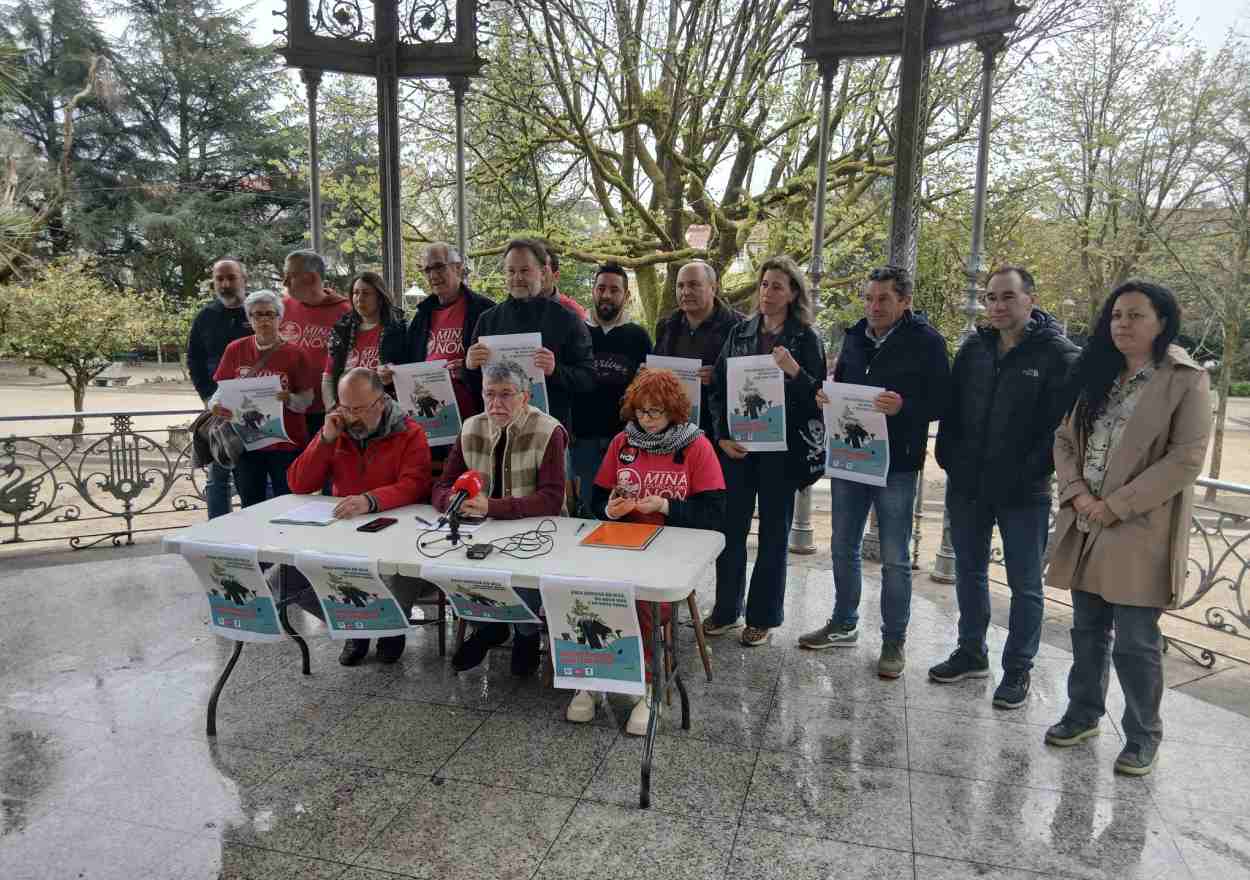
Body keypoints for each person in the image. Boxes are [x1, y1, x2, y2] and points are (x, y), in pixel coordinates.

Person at [1043, 281, 1210, 776]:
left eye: (1136, 315)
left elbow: (1186, 459)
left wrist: (1115, 505)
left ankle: (1142, 735)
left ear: (1163, 322)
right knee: (1086, 629)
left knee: (1137, 640)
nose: (1123, 324)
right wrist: (1077, 494)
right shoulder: (1100, 372)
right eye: (1117, 315)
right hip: (1086, 520)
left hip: (1139, 528)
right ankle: (1082, 714)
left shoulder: (1184, 378)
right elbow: (1064, 438)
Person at [929, 266, 1080, 709]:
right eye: (991, 297)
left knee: (1025, 585)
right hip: (968, 485)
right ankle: (971, 652)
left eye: (1007, 297)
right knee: (970, 573)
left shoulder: (1058, 355)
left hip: (1023, 492)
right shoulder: (974, 347)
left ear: (1030, 299)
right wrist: (949, 460)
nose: (996, 306)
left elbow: (1061, 430)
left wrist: (1027, 472)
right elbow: (953, 412)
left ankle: (1017, 670)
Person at [798, 265, 950, 679]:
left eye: (883, 299)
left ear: (905, 302)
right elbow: (844, 382)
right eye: (868, 298)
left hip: (896, 463)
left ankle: (893, 640)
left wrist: (905, 406)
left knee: (895, 557)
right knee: (843, 545)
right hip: (850, 458)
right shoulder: (853, 335)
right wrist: (827, 395)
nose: (874, 306)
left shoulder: (927, 341)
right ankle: (844, 623)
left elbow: (942, 400)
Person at [565, 369, 724, 733]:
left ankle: (648, 687)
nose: (648, 420)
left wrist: (666, 507)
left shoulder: (696, 446)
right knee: (583, 592)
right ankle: (590, 676)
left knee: (640, 600)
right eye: (641, 412)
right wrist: (611, 508)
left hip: (674, 547)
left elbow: (715, 513)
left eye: (656, 412)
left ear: (674, 411)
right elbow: (597, 497)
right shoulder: (623, 443)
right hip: (623, 543)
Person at [705, 256, 826, 647]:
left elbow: (818, 398)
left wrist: (794, 370)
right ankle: (726, 610)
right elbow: (719, 389)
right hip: (739, 449)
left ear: (793, 293)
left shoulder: (806, 339)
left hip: (782, 453)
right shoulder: (740, 332)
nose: (767, 293)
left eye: (777, 286)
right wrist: (721, 436)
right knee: (731, 531)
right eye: (763, 284)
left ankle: (762, 616)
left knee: (774, 535)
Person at [282, 368, 434, 665]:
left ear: (381, 402)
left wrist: (371, 500)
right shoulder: (337, 430)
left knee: (393, 572)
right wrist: (325, 439)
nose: (352, 416)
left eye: (360, 408)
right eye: (345, 407)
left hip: (394, 528)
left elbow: (415, 484)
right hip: (343, 530)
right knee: (286, 579)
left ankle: (390, 629)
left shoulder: (409, 432)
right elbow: (299, 484)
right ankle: (355, 625)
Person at [434, 360, 568, 675]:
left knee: (521, 567)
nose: (496, 403)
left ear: (526, 396)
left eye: (506, 394)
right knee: (451, 563)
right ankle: (492, 626)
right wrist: (450, 500)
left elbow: (551, 500)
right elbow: (441, 485)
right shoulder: (470, 427)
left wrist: (491, 507)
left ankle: (526, 632)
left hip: (538, 530)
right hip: (481, 528)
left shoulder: (550, 430)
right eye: (489, 394)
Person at [465, 238, 594, 434]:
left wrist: (555, 370)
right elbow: (474, 384)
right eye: (511, 271)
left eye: (525, 270)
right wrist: (470, 365)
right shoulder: (488, 320)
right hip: (500, 432)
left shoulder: (567, 320)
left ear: (542, 272)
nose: (517, 277)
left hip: (549, 434)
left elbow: (588, 379)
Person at [210, 291, 319, 508]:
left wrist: (289, 399)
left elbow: (307, 400)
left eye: (270, 314)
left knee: (288, 503)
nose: (264, 320)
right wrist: (214, 406)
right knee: (250, 504)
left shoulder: (296, 354)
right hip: (246, 443)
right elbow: (221, 391)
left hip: (286, 444)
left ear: (280, 318)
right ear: (249, 319)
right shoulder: (235, 349)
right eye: (257, 315)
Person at [383, 242, 495, 434]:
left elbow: (499, 366)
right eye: (427, 270)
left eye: (439, 267)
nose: (433, 275)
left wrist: (468, 372)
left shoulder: (485, 310)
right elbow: (407, 363)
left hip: (473, 412)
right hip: (427, 411)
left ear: (458, 268)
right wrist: (389, 373)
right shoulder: (421, 315)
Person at [570, 262, 653, 516]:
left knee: (623, 507)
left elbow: (649, 389)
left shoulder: (638, 336)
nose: (606, 295)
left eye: (614, 290)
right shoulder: (575, 331)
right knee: (587, 507)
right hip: (581, 440)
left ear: (626, 296)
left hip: (625, 440)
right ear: (593, 291)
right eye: (601, 288)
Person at [187, 258, 253, 518]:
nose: (225, 284)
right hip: (219, 408)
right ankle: (218, 533)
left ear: (243, 278)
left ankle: (260, 531)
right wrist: (207, 396)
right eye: (219, 279)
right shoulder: (205, 316)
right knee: (218, 477)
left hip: (256, 409)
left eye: (231, 278)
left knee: (257, 478)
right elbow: (194, 359)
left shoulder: (259, 310)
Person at [653, 260, 742, 435]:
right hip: (674, 430)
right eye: (680, 286)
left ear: (713, 288)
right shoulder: (667, 326)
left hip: (720, 434)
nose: (685, 292)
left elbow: (751, 381)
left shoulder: (739, 328)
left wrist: (719, 377)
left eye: (694, 285)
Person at [280, 249, 351, 436]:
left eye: (290, 276)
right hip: (287, 408)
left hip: (326, 411)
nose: (284, 282)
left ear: (311, 278)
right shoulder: (281, 307)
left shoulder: (345, 312)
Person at [322, 271, 407, 408]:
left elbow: (409, 374)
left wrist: (393, 375)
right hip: (346, 413)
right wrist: (332, 409)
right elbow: (328, 377)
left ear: (380, 298)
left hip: (386, 412)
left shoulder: (399, 330)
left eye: (366, 293)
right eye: (355, 293)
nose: (359, 298)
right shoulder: (342, 330)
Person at [538, 240, 589, 320]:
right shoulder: (516, 307)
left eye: (543, 271)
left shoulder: (573, 311)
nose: (537, 275)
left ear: (556, 276)